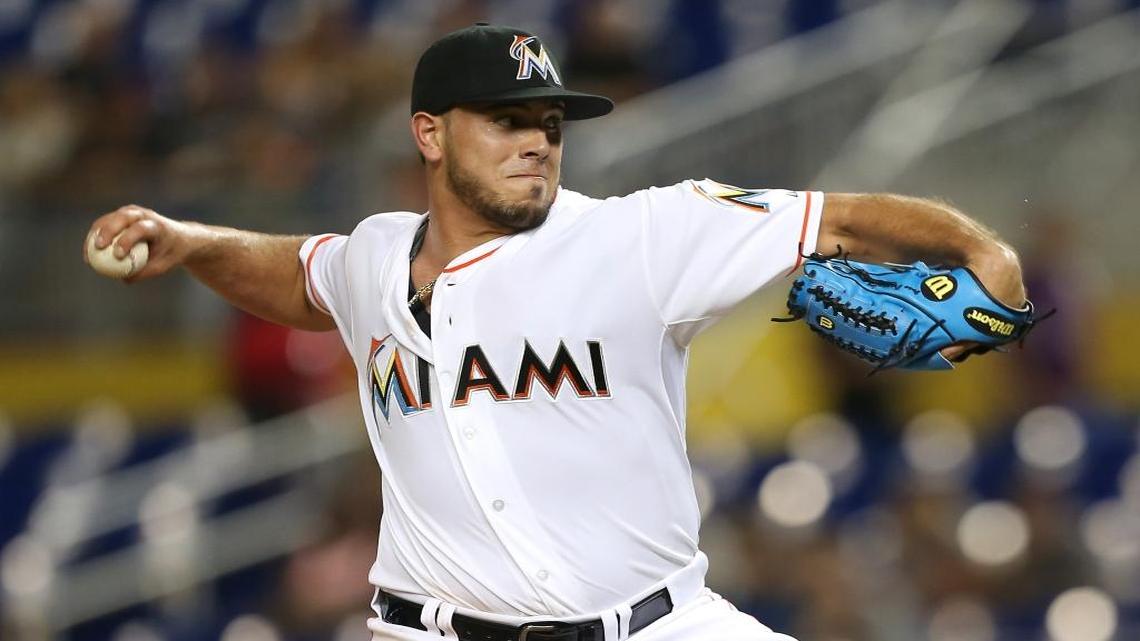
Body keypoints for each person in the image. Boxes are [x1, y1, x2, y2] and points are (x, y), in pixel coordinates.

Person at [85, 23, 1026, 641]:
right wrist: (192, 239)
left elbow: (841, 218)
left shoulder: (641, 233)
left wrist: (979, 250)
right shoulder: (373, 258)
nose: (537, 140)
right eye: (505, 121)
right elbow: (295, 276)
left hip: (658, 625)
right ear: (429, 135)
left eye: (549, 122)